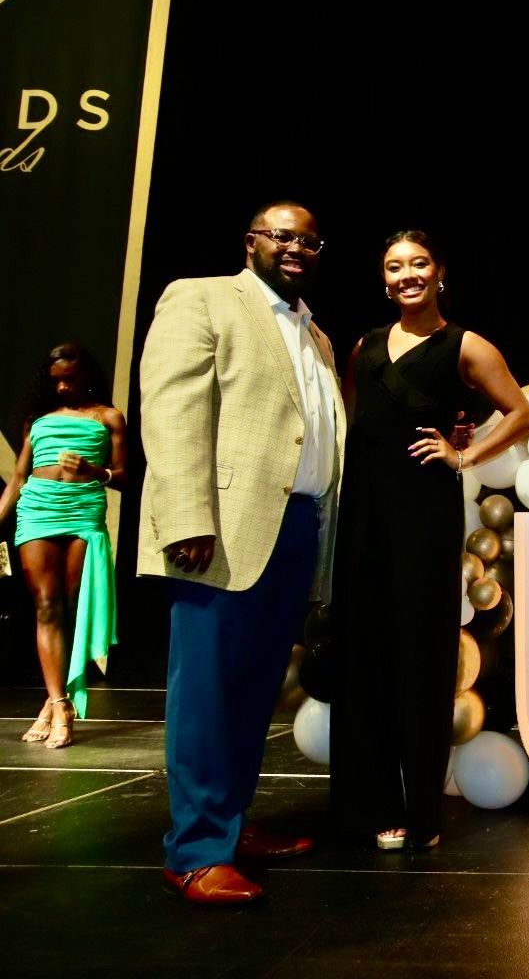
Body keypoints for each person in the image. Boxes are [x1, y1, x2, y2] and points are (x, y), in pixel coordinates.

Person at [139, 201, 345, 904]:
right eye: (283, 236)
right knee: (206, 690)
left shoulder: (313, 332)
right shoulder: (199, 298)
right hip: (220, 527)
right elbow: (171, 411)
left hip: (295, 526)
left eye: (309, 240)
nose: (296, 248)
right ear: (250, 240)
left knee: (256, 690)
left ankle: (230, 822)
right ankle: (195, 851)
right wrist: (186, 514)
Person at [328, 229, 529, 851]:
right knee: (363, 653)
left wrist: (464, 451)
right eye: (394, 266)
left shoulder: (465, 344)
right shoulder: (363, 344)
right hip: (363, 509)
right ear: (383, 278)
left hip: (423, 510)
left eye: (418, 264)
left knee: (418, 653)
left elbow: (523, 413)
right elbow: (351, 419)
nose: (406, 275)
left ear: (439, 272)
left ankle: (420, 810)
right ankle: (367, 805)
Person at [0, 344, 124, 747]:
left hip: (83, 510)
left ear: (87, 374)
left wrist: (95, 470)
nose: (64, 386)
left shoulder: (108, 417)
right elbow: (19, 478)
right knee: (46, 606)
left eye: (70, 377)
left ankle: (53, 701)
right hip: (37, 509)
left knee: (71, 608)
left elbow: (125, 475)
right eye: (56, 380)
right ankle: (60, 702)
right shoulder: (36, 421)